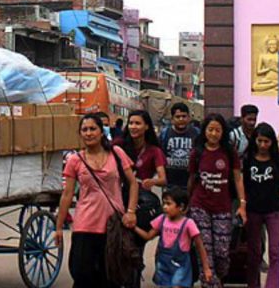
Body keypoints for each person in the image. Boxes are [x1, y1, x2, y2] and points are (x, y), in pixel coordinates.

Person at [55, 113, 139, 287]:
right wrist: (58, 227)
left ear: (102, 132)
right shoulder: (74, 160)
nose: (88, 133)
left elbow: (133, 183)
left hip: (113, 225)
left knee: (111, 276)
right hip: (85, 225)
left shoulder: (116, 154)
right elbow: (67, 194)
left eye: (93, 129)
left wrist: (131, 212)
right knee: (81, 274)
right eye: (84, 129)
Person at [187, 114, 247, 288]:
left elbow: (237, 179)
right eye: (210, 129)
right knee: (205, 251)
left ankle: (217, 279)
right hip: (200, 207)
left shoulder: (230, 153)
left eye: (217, 130)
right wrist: (187, 205)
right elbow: (191, 180)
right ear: (204, 131)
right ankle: (209, 282)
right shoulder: (197, 153)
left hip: (223, 207)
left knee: (222, 252)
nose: (213, 134)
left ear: (223, 132)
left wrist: (242, 204)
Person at [117, 110, 167, 285]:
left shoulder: (154, 151)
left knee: (135, 247)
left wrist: (152, 181)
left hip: (141, 204)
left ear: (146, 126)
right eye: (131, 123)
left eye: (138, 123)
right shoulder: (119, 146)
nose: (133, 127)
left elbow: (163, 178)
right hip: (118, 198)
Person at [242, 123, 279, 288]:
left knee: (274, 252)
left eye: (267, 142)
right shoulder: (248, 159)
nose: (263, 145)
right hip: (253, 211)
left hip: (274, 211)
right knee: (254, 252)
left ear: (272, 142)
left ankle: (273, 285)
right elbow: (242, 185)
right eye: (260, 141)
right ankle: (253, 283)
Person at [134, 187, 213, 288]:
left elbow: (200, 246)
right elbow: (148, 236)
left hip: (181, 265)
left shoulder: (188, 224)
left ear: (181, 207)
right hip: (163, 263)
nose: (165, 207)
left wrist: (206, 268)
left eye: (169, 204)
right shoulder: (161, 220)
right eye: (164, 203)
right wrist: (134, 227)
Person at [160, 103, 199, 190]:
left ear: (189, 118)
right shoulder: (165, 133)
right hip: (170, 184)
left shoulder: (196, 133)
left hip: (190, 184)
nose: (181, 119)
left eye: (184, 116)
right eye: (177, 117)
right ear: (172, 119)